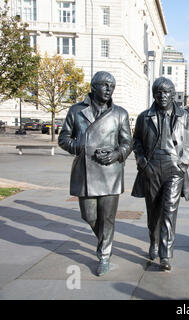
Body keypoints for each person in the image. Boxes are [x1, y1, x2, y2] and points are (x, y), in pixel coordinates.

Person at [58, 71, 132, 276]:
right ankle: (104, 242)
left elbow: (128, 143)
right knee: (89, 215)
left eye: (112, 86)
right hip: (86, 171)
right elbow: (63, 139)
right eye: (105, 85)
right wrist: (79, 146)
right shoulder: (76, 111)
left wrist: (117, 154)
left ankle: (104, 255)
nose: (109, 89)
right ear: (93, 86)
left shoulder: (120, 114)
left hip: (110, 172)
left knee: (107, 218)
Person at [131, 77, 189, 272]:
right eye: (158, 92)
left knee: (169, 211)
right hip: (151, 167)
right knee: (153, 212)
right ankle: (154, 241)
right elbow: (137, 142)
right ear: (154, 94)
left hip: (174, 168)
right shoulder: (144, 117)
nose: (162, 95)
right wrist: (142, 162)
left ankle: (166, 253)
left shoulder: (184, 117)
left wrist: (182, 165)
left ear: (173, 94)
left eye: (166, 92)